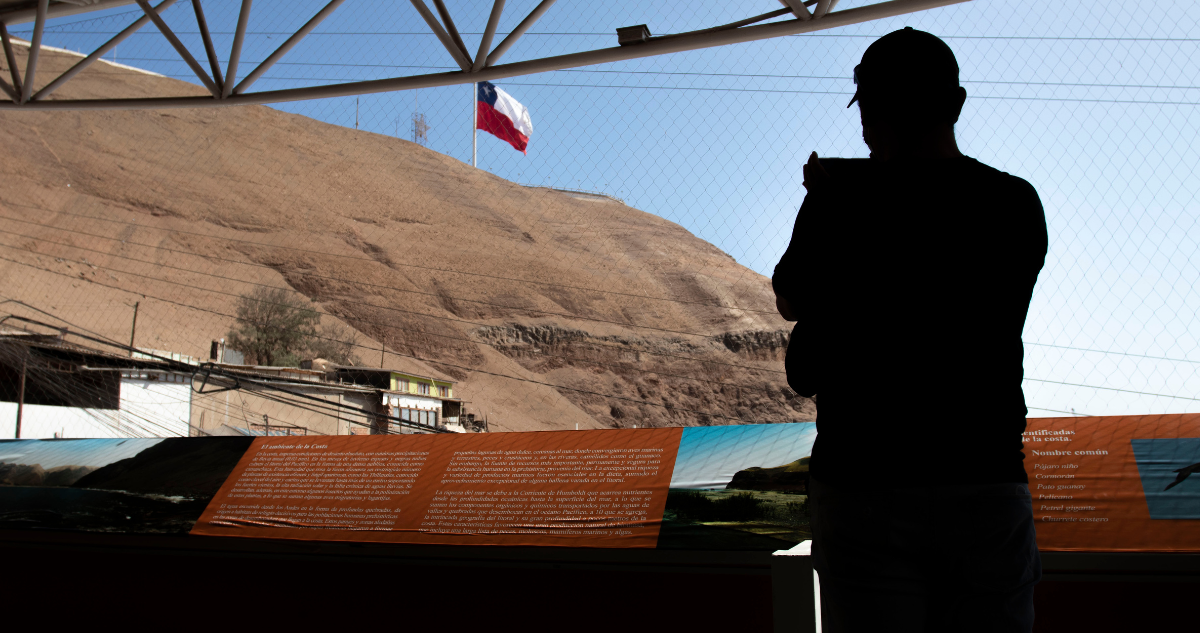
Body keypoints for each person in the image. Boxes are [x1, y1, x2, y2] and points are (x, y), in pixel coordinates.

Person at [772, 28, 1048, 632]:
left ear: (871, 110)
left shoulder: (840, 199)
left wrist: (830, 198)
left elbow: (790, 301)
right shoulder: (1015, 202)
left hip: (864, 480)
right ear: (956, 104)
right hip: (985, 474)